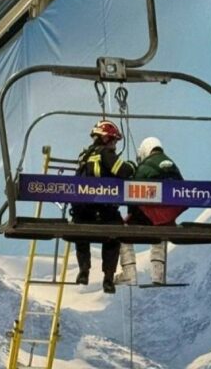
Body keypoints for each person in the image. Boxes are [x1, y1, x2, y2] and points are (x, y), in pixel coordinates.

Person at [70, 120, 135, 294]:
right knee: (114, 235)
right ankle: (108, 278)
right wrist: (133, 166)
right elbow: (124, 171)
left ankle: (84, 270)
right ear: (106, 139)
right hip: (104, 210)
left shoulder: (83, 156)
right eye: (114, 140)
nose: (115, 145)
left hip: (82, 212)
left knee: (80, 234)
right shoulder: (105, 154)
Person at [116, 137, 186, 286]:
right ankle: (158, 275)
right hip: (169, 215)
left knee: (122, 232)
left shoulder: (145, 166)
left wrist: (131, 213)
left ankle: (129, 274)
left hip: (153, 213)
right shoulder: (173, 165)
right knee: (160, 232)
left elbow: (133, 193)